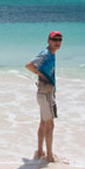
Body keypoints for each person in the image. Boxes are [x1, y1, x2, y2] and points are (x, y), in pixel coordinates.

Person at [25, 31, 62, 162]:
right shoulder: (46, 54)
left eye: (59, 40)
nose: (57, 42)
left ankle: (40, 152)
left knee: (43, 122)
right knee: (50, 125)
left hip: (44, 93)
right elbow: (29, 65)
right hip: (45, 94)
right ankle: (49, 157)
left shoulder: (51, 54)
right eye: (54, 39)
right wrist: (42, 76)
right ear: (49, 40)